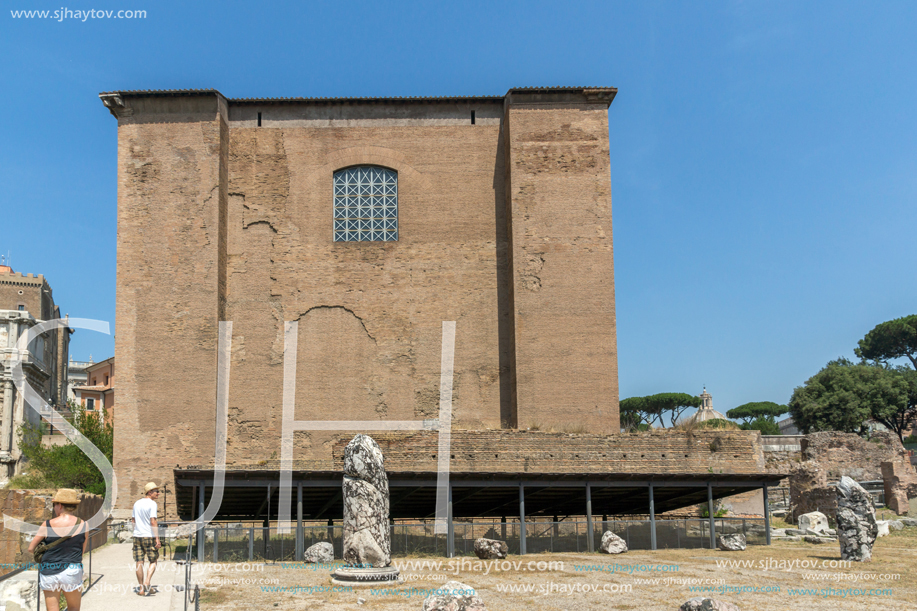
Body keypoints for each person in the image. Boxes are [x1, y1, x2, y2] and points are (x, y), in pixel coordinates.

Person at [27, 488, 88, 611]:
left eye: (54, 505)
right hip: (71, 570)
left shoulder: (47, 524)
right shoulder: (83, 524)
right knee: (74, 607)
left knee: (52, 609)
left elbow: (31, 548)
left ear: (60, 505)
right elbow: (82, 551)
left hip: (49, 570)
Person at [132, 482, 162, 596]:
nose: (158, 493)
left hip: (137, 536)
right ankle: (147, 581)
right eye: (156, 491)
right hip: (148, 536)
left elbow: (133, 521)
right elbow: (153, 521)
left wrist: (136, 531)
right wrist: (157, 539)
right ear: (150, 492)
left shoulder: (136, 503)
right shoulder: (152, 504)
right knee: (153, 560)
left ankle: (141, 589)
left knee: (139, 562)